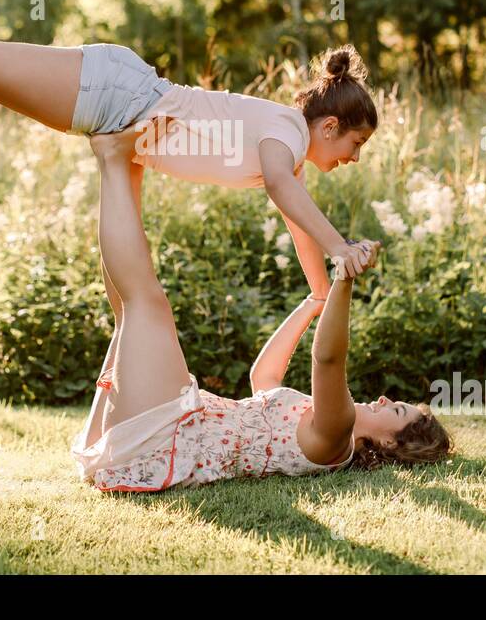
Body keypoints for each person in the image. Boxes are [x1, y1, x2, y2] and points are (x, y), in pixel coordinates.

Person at [0, 0, 381, 301]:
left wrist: (323, 292)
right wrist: (341, 246)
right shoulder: (282, 135)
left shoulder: (288, 155)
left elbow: (300, 223)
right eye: (354, 145)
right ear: (328, 126)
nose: (352, 160)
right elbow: (284, 193)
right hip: (119, 96)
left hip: (126, 124)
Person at [71, 122, 453, 493]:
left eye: (397, 411)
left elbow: (328, 360)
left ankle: (114, 159)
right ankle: (121, 162)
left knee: (146, 305)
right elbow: (263, 379)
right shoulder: (316, 421)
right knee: (129, 312)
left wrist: (344, 277)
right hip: (156, 433)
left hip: (164, 442)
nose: (385, 399)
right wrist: (313, 302)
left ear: (390, 445)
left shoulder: (337, 437)